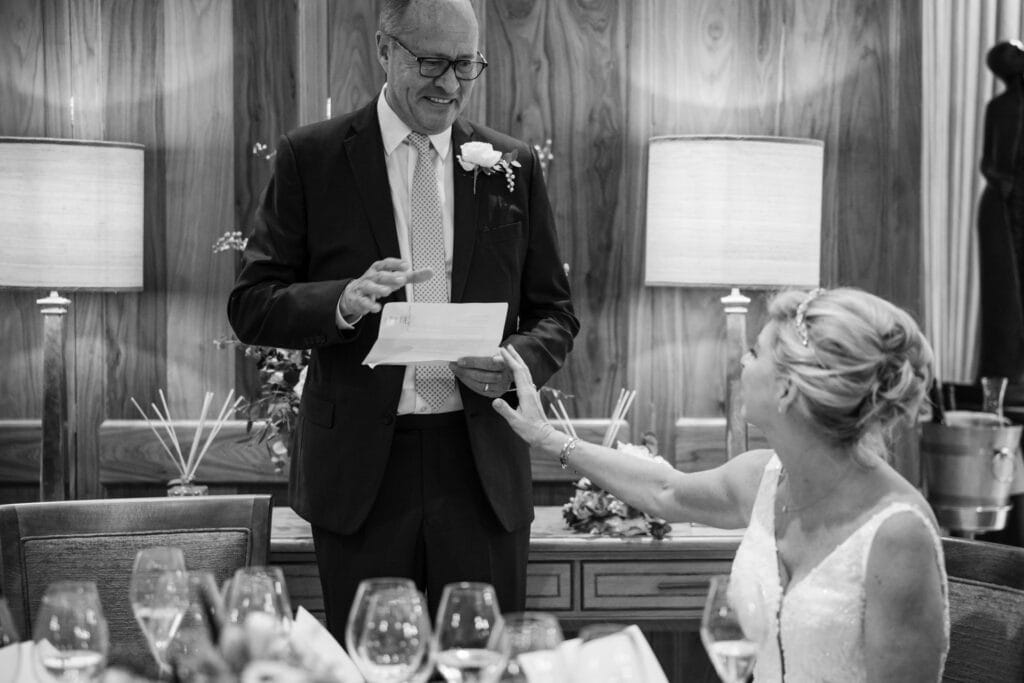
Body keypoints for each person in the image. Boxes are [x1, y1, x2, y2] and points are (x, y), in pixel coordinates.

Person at [227, 0, 578, 636]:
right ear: (385, 50)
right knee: (372, 663)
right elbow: (252, 304)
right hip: (363, 475)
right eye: (431, 62)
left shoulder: (510, 165)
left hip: (481, 471)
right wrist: (339, 301)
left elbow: (555, 311)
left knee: (478, 668)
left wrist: (514, 363)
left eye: (466, 66)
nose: (450, 85)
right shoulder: (313, 158)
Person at [494, 288, 949, 682]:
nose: (742, 361)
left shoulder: (896, 533)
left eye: (755, 352)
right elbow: (665, 491)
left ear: (788, 389)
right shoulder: (764, 478)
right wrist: (548, 437)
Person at [978, 40, 1024, 381]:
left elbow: (990, 164)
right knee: (1006, 301)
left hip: (1006, 204)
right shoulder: (1003, 107)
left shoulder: (1000, 106)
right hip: (1007, 211)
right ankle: (1004, 387)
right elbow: (994, 165)